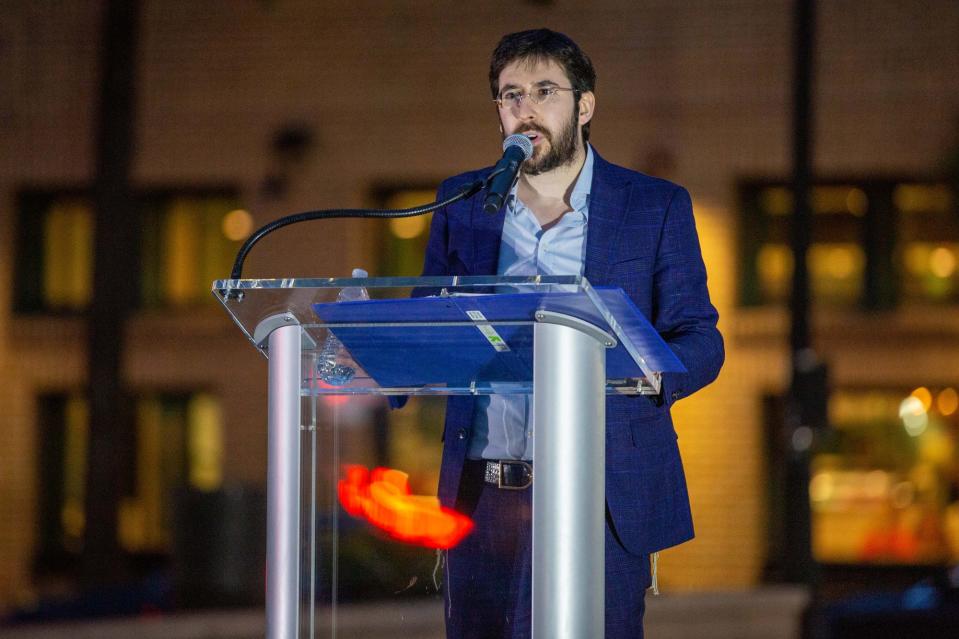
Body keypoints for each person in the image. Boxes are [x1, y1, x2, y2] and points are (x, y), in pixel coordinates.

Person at [420, 28, 724, 639]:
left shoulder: (653, 206)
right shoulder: (462, 201)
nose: (524, 110)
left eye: (544, 91)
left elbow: (700, 339)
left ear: (585, 105)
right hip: (483, 498)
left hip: (600, 497)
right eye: (510, 95)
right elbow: (430, 322)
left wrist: (643, 374)